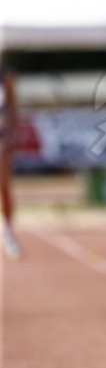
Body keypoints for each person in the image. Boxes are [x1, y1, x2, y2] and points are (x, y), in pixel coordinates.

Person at [0, 61, 23, 259]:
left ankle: (8, 231)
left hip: (1, 137)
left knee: (3, 183)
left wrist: (14, 133)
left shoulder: (4, 74)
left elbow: (13, 107)